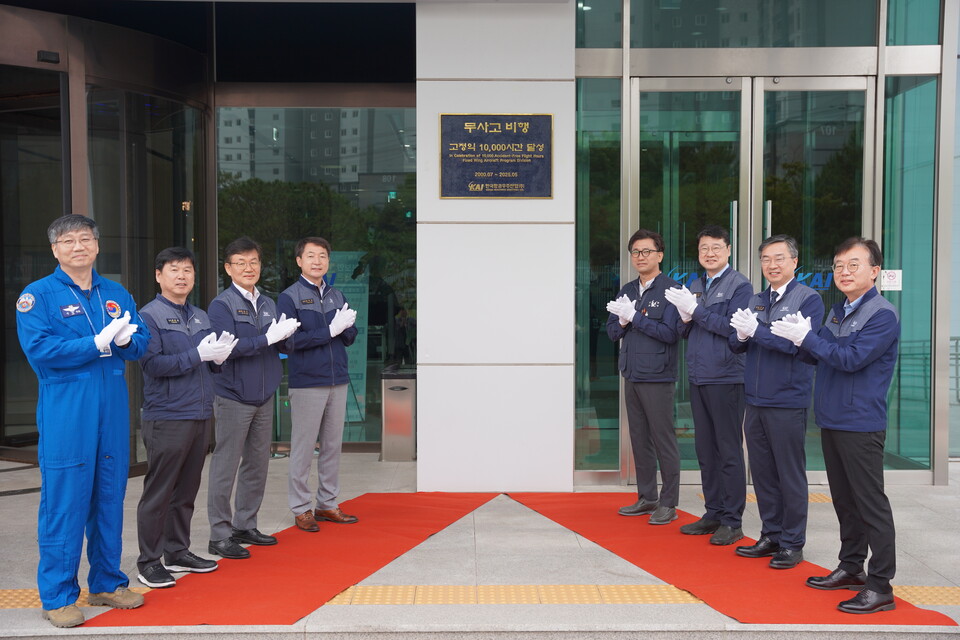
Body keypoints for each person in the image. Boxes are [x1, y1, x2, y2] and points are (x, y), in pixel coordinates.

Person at [15, 214, 150, 628]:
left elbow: (140, 340)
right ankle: (57, 596)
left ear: (97, 245)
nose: (79, 246)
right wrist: (92, 343)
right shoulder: (37, 296)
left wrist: (128, 339)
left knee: (109, 496)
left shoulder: (115, 292)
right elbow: (40, 348)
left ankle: (107, 582)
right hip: (67, 410)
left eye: (86, 239)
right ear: (55, 249)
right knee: (65, 502)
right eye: (69, 241)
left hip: (111, 406)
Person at [771, 237, 900, 614]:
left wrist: (808, 338)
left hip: (860, 422)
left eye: (853, 265)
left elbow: (850, 359)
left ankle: (880, 586)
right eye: (838, 265)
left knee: (870, 504)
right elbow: (821, 354)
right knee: (844, 500)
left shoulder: (882, 314)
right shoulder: (838, 310)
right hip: (832, 418)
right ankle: (851, 566)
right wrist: (796, 339)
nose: (844, 272)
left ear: (874, 271)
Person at [136, 247, 237, 588]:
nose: (182, 276)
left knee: (187, 490)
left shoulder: (200, 316)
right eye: (174, 269)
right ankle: (149, 561)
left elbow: (207, 364)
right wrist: (197, 354)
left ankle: (177, 551)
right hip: (167, 415)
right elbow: (151, 365)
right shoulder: (148, 316)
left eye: (188, 270)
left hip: (199, 413)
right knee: (159, 492)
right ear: (158, 275)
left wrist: (218, 357)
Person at [728, 234, 823, 569]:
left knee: (789, 473)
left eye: (779, 258)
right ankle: (771, 533)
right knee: (764, 472)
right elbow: (737, 343)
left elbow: (798, 346)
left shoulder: (807, 299)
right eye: (766, 259)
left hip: (786, 399)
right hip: (755, 399)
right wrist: (741, 334)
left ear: (795, 262)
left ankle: (793, 543)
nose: (772, 265)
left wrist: (757, 332)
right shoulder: (756, 299)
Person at [206, 237, 299, 559]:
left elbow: (277, 346)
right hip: (233, 395)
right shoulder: (221, 305)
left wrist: (286, 336)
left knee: (257, 465)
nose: (249, 268)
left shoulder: (269, 303)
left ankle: (245, 524)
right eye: (241, 263)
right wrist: (266, 338)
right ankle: (219, 534)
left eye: (254, 262)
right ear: (228, 268)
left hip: (264, 394)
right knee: (225, 466)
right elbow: (226, 349)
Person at [664, 225, 753, 545]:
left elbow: (734, 330)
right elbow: (681, 329)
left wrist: (697, 312)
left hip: (728, 376)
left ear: (728, 250)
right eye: (704, 248)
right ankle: (713, 511)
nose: (710, 253)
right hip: (699, 376)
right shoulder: (696, 283)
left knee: (727, 449)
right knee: (705, 449)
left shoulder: (740, 285)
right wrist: (687, 317)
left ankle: (733, 519)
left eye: (716, 247)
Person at [279, 236, 359, 531]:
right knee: (303, 447)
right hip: (307, 382)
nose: (317, 261)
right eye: (310, 256)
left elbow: (350, 336)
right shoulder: (290, 297)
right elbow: (289, 342)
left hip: (337, 379)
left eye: (322, 256)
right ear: (299, 261)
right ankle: (301, 507)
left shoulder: (337, 295)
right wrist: (331, 330)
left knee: (331, 446)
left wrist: (347, 328)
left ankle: (327, 503)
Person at [606, 229, 682, 526]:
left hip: (658, 376)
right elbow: (613, 332)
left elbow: (670, 334)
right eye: (636, 252)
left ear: (659, 255)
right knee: (639, 438)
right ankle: (647, 496)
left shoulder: (671, 290)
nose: (640, 257)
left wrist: (635, 317)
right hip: (632, 374)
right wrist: (624, 319)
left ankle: (669, 502)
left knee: (663, 440)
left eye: (646, 251)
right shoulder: (626, 290)